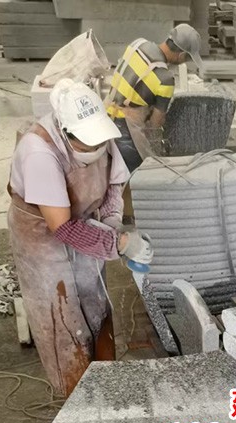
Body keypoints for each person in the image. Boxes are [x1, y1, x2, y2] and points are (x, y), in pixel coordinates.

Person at [8, 78, 153, 397]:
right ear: (66, 132)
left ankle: (105, 380)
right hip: (42, 236)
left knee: (95, 301)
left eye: (99, 143)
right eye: (87, 146)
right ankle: (76, 397)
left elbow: (114, 184)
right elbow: (62, 227)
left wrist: (113, 223)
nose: (95, 151)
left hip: (87, 222)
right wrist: (118, 244)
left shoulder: (100, 135)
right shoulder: (39, 152)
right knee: (62, 318)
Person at [105, 24, 203, 172]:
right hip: (126, 136)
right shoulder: (165, 79)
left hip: (106, 120)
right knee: (145, 175)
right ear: (181, 55)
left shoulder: (137, 44)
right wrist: (158, 149)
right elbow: (155, 124)